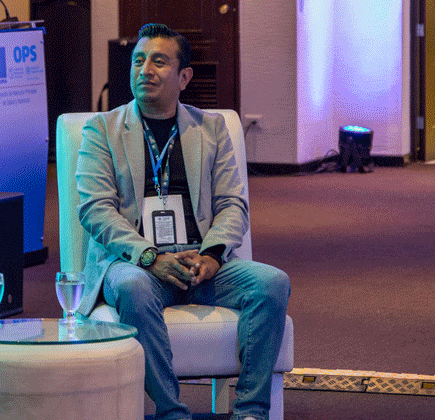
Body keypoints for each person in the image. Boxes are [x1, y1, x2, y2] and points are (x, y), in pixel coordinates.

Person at [76, 23, 290, 420]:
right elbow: (95, 209)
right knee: (134, 289)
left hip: (199, 262)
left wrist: (212, 256)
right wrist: (150, 257)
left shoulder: (210, 129)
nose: (145, 70)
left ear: (184, 77)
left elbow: (232, 203)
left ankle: (251, 411)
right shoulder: (102, 130)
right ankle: (171, 412)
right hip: (136, 263)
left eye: (159, 61)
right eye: (138, 60)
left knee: (271, 283)